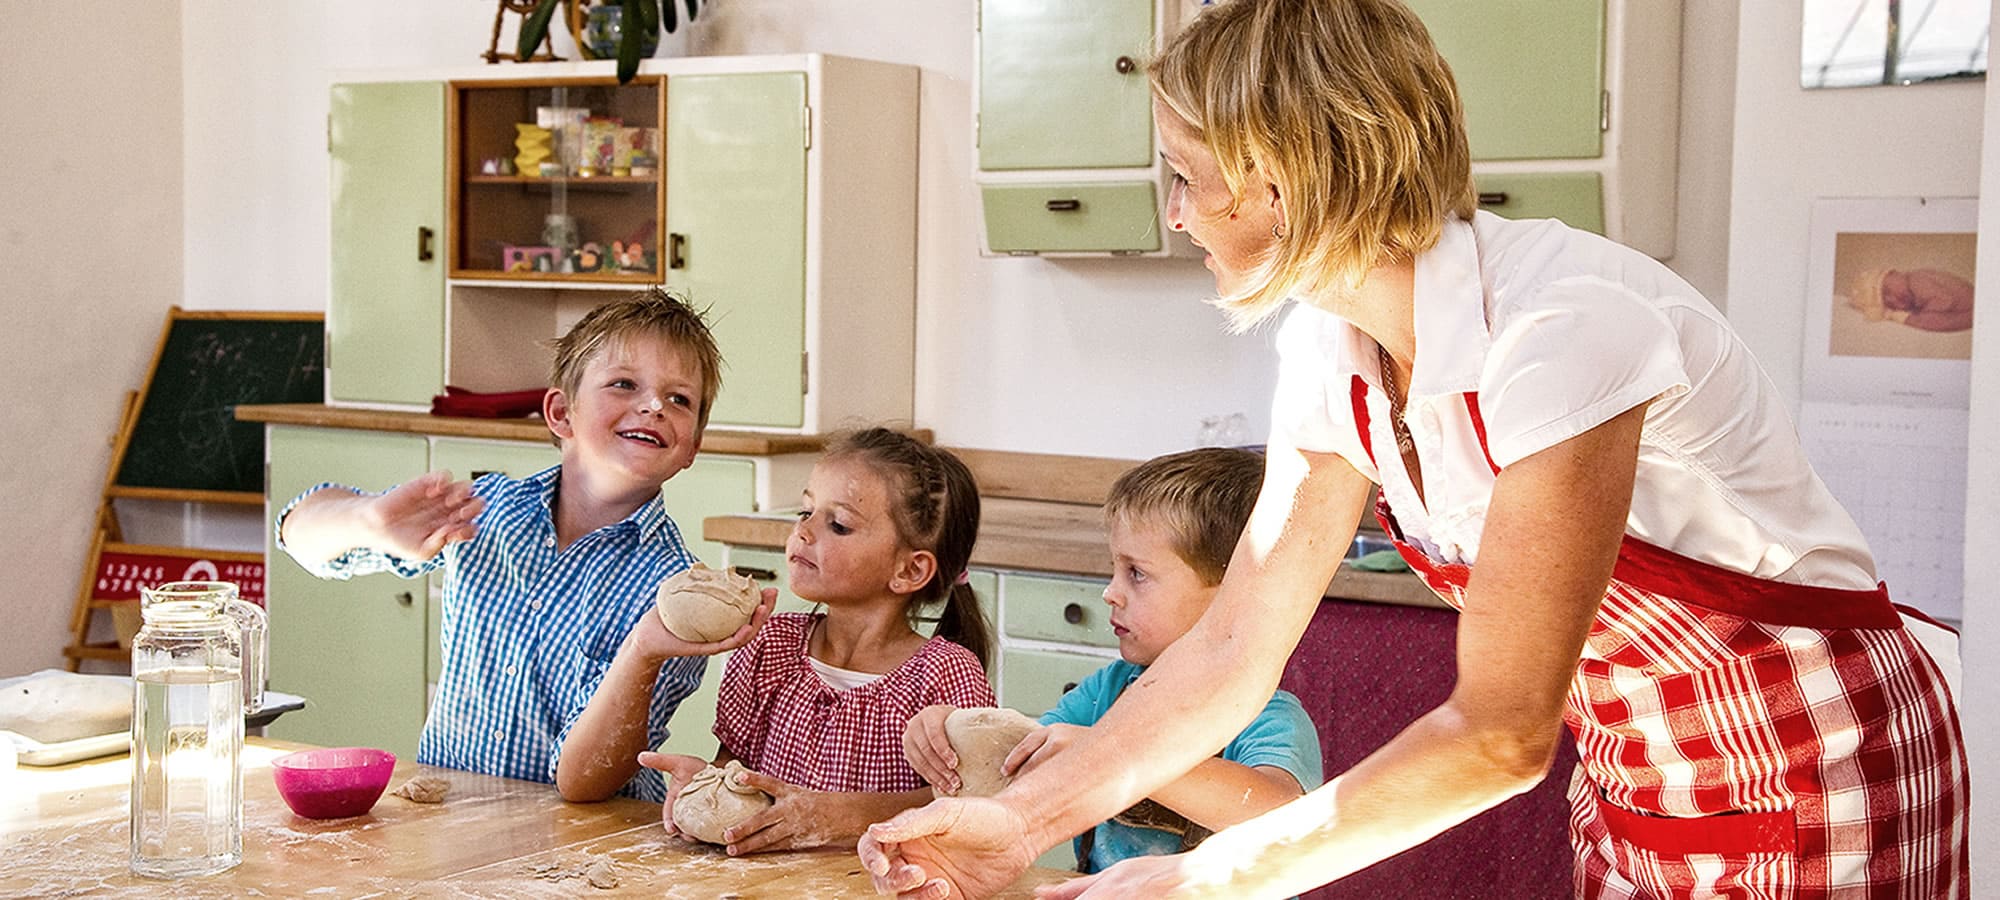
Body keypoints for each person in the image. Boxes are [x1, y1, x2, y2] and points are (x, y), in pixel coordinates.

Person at [857, 1, 1969, 898]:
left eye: (1184, 173)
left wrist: (1211, 880)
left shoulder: (1564, 330)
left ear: (1280, 174)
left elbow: (1498, 733)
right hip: (1634, 778)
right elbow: (1229, 648)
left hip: (1818, 764)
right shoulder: (1328, 349)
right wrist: (1015, 823)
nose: (1179, 214)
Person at [276, 287, 774, 803]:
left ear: (692, 446)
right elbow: (298, 535)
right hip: (451, 816)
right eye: (624, 384)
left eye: (679, 399)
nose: (652, 406)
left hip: (581, 844)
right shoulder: (482, 510)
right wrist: (368, 520)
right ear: (561, 413)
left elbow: (587, 781)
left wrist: (642, 651)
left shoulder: (676, 594)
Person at [902, 447, 1322, 875]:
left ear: (1229, 594)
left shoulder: (1267, 714)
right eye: (1115, 569)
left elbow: (1281, 815)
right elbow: (1021, 764)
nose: (1111, 592)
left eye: (1136, 574)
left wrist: (1114, 756)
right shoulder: (1109, 691)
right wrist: (949, 733)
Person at [638, 427, 998, 855]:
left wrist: (843, 817)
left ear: (909, 571)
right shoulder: (769, 644)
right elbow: (734, 770)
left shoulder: (943, 674)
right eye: (804, 512)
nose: (804, 532)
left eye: (839, 525)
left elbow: (970, 806)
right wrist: (705, 787)